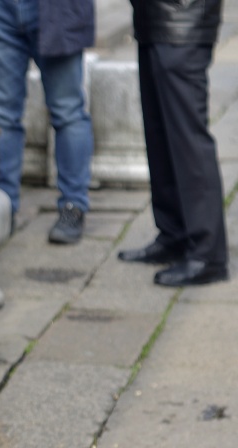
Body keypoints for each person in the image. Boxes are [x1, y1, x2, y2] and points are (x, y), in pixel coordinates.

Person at [117, 0, 228, 286]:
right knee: (159, 133)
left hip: (184, 17)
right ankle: (174, 234)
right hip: (152, 17)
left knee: (187, 139)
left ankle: (208, 254)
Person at [0, 0, 95, 244]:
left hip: (57, 9)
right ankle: (2, 209)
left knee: (68, 112)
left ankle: (73, 205)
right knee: (1, 116)